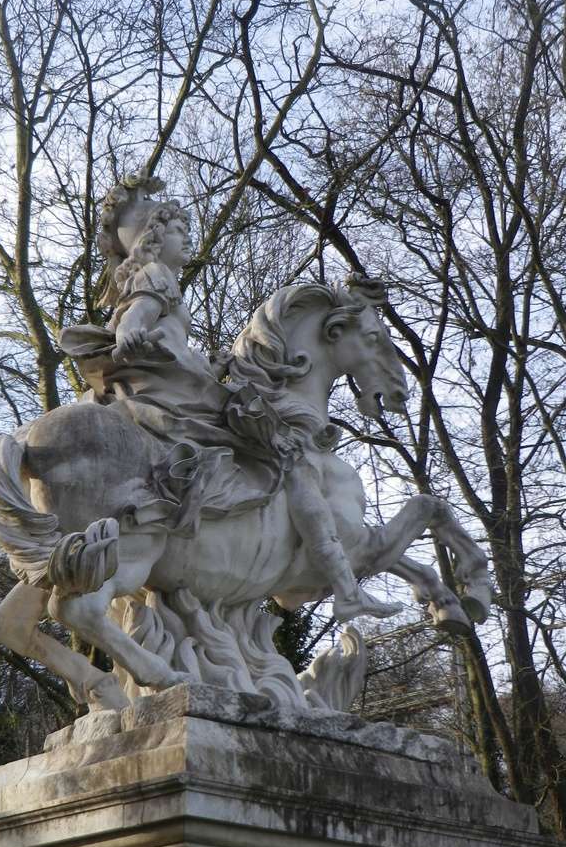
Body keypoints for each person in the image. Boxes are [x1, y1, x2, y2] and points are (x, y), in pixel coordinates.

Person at [60, 172, 394, 621]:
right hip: (176, 393)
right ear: (156, 237)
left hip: (179, 382)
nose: (188, 241)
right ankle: (344, 585)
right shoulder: (157, 275)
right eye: (180, 231)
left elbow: (156, 330)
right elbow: (133, 324)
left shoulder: (153, 277)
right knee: (290, 459)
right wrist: (132, 335)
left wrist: (207, 362)